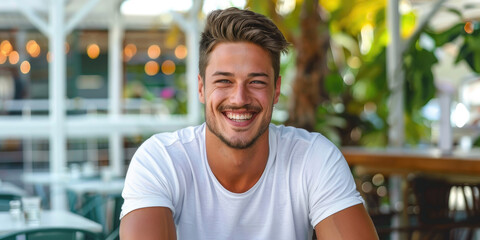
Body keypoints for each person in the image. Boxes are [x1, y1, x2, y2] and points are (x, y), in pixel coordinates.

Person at [119, 7, 378, 240]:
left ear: (276, 90)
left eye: (256, 82)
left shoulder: (313, 158)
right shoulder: (162, 160)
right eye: (224, 81)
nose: (240, 98)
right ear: (201, 88)